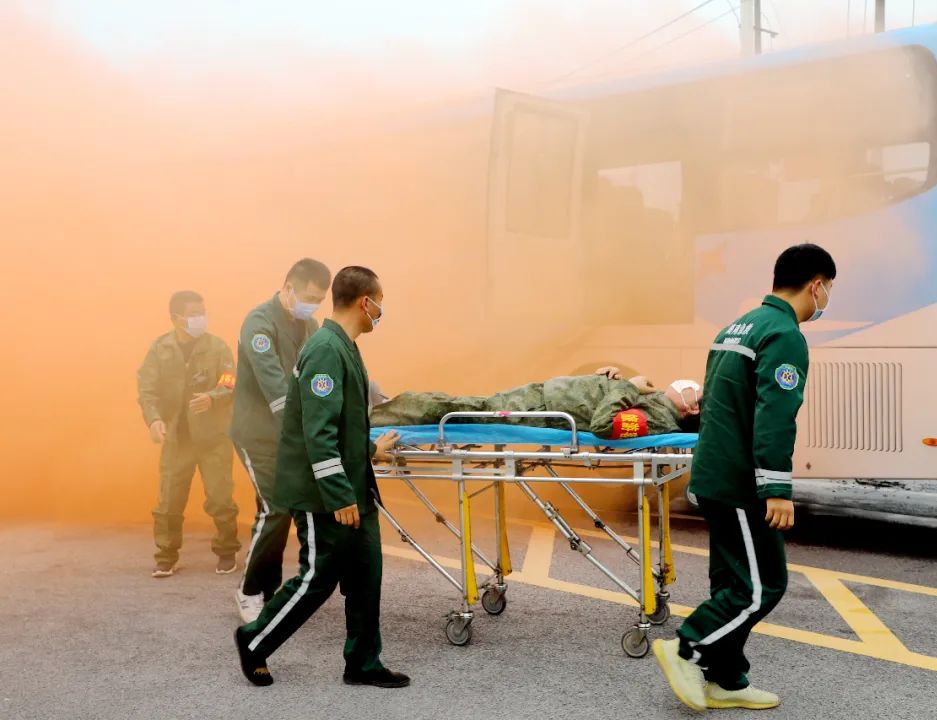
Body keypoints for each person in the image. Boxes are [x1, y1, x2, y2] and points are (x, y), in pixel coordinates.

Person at [654, 243, 836, 712]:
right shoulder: (784, 334)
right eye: (829, 288)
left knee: (730, 582)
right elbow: (775, 416)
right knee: (761, 586)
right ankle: (686, 648)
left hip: (715, 472)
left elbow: (716, 404)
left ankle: (727, 680)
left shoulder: (736, 326)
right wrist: (776, 489)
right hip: (741, 482)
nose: (827, 298)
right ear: (816, 285)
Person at [234, 266, 404, 688]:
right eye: (380, 301)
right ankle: (254, 640)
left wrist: (369, 450)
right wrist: (338, 495)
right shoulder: (326, 349)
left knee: (367, 572)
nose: (381, 311)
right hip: (323, 493)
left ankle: (363, 663)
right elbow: (317, 433)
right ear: (366, 302)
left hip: (352, 488)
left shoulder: (343, 345)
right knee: (318, 577)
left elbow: (344, 426)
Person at [231, 258, 331, 623]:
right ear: (288, 287)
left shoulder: (310, 324)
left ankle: (269, 588)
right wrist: (307, 426)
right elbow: (273, 380)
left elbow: (320, 371)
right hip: (255, 432)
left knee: (284, 509)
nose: (312, 305)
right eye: (308, 297)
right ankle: (248, 590)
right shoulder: (258, 322)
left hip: (287, 434)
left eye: (319, 300)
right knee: (274, 507)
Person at [136, 291, 240, 578]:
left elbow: (230, 381)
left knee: (220, 498)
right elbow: (147, 389)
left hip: (213, 438)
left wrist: (213, 397)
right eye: (194, 313)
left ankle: (226, 551)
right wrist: (154, 420)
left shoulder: (217, 347)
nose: (200, 318)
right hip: (177, 439)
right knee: (169, 502)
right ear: (176, 318)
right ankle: (166, 556)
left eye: (203, 312)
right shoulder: (160, 349)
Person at [370, 367, 702, 438]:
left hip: (538, 413)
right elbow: (610, 400)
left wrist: (626, 388)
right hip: (540, 398)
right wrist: (611, 378)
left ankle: (376, 417)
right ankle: (386, 408)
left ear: (692, 408)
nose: (691, 384)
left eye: (696, 391)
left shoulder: (659, 421)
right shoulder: (657, 400)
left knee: (448, 409)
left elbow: (604, 425)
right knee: (455, 405)